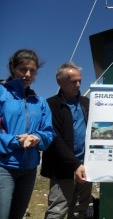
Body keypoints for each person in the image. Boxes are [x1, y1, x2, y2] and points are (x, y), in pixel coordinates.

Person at [0, 49, 55, 219]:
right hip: (4, 166)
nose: (28, 74)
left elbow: (48, 131)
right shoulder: (2, 94)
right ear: (12, 68)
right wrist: (16, 141)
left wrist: (37, 138)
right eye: (23, 69)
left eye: (33, 71)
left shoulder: (40, 102)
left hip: (29, 169)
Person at [41, 62, 92, 219]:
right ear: (59, 81)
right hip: (62, 169)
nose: (77, 84)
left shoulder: (86, 103)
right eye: (73, 81)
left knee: (79, 210)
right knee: (57, 211)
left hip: (87, 167)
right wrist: (75, 164)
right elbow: (54, 139)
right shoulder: (50, 105)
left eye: (79, 81)